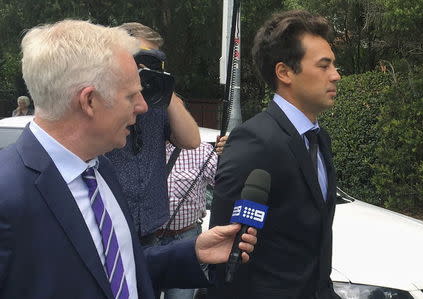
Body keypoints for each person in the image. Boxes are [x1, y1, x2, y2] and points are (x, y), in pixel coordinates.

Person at [0, 19, 257, 299]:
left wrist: (194, 253)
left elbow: (120, 269)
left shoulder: (101, 172)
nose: (143, 106)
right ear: (89, 101)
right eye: (131, 95)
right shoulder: (8, 195)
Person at [208, 10, 341, 299]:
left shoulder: (319, 138)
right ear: (285, 72)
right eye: (324, 65)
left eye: (333, 65)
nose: (335, 75)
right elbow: (226, 257)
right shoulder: (256, 141)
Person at [105, 22, 201, 247]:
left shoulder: (159, 104)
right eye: (141, 58)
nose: (147, 66)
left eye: (155, 61)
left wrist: (165, 88)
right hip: (110, 222)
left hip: (149, 224)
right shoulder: (104, 101)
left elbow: (191, 140)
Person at [153, 141, 217, 299]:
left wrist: (231, 155)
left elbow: (226, 181)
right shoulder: (143, 148)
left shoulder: (202, 151)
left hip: (186, 239)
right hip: (148, 239)